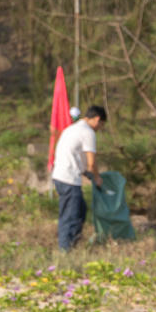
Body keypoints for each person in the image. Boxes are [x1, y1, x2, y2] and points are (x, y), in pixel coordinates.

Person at [50, 104, 107, 251]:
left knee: (80, 209)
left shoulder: (73, 128)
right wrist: (97, 178)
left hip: (60, 176)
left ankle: (72, 243)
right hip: (69, 179)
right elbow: (91, 162)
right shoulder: (88, 132)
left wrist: (85, 172)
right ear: (97, 119)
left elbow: (74, 156)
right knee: (70, 215)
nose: (99, 128)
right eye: (101, 125)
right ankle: (65, 250)